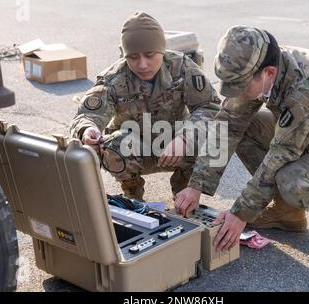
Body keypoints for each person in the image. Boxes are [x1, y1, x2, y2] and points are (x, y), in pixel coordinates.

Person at [175, 25, 309, 251]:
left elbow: (282, 153)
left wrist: (240, 213)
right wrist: (197, 185)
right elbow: (227, 126)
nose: (234, 92)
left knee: (293, 180)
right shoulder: (257, 66)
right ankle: (287, 212)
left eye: (240, 85)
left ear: (268, 73)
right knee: (245, 126)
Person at [70, 11, 220, 201]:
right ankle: (132, 193)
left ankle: (185, 192)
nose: (142, 64)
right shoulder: (113, 79)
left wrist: (185, 139)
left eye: (150, 55)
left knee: (210, 138)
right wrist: (87, 129)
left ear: (162, 50)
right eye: (133, 57)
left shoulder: (182, 67)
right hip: (135, 152)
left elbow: (210, 108)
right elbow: (86, 115)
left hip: (176, 146)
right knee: (113, 145)